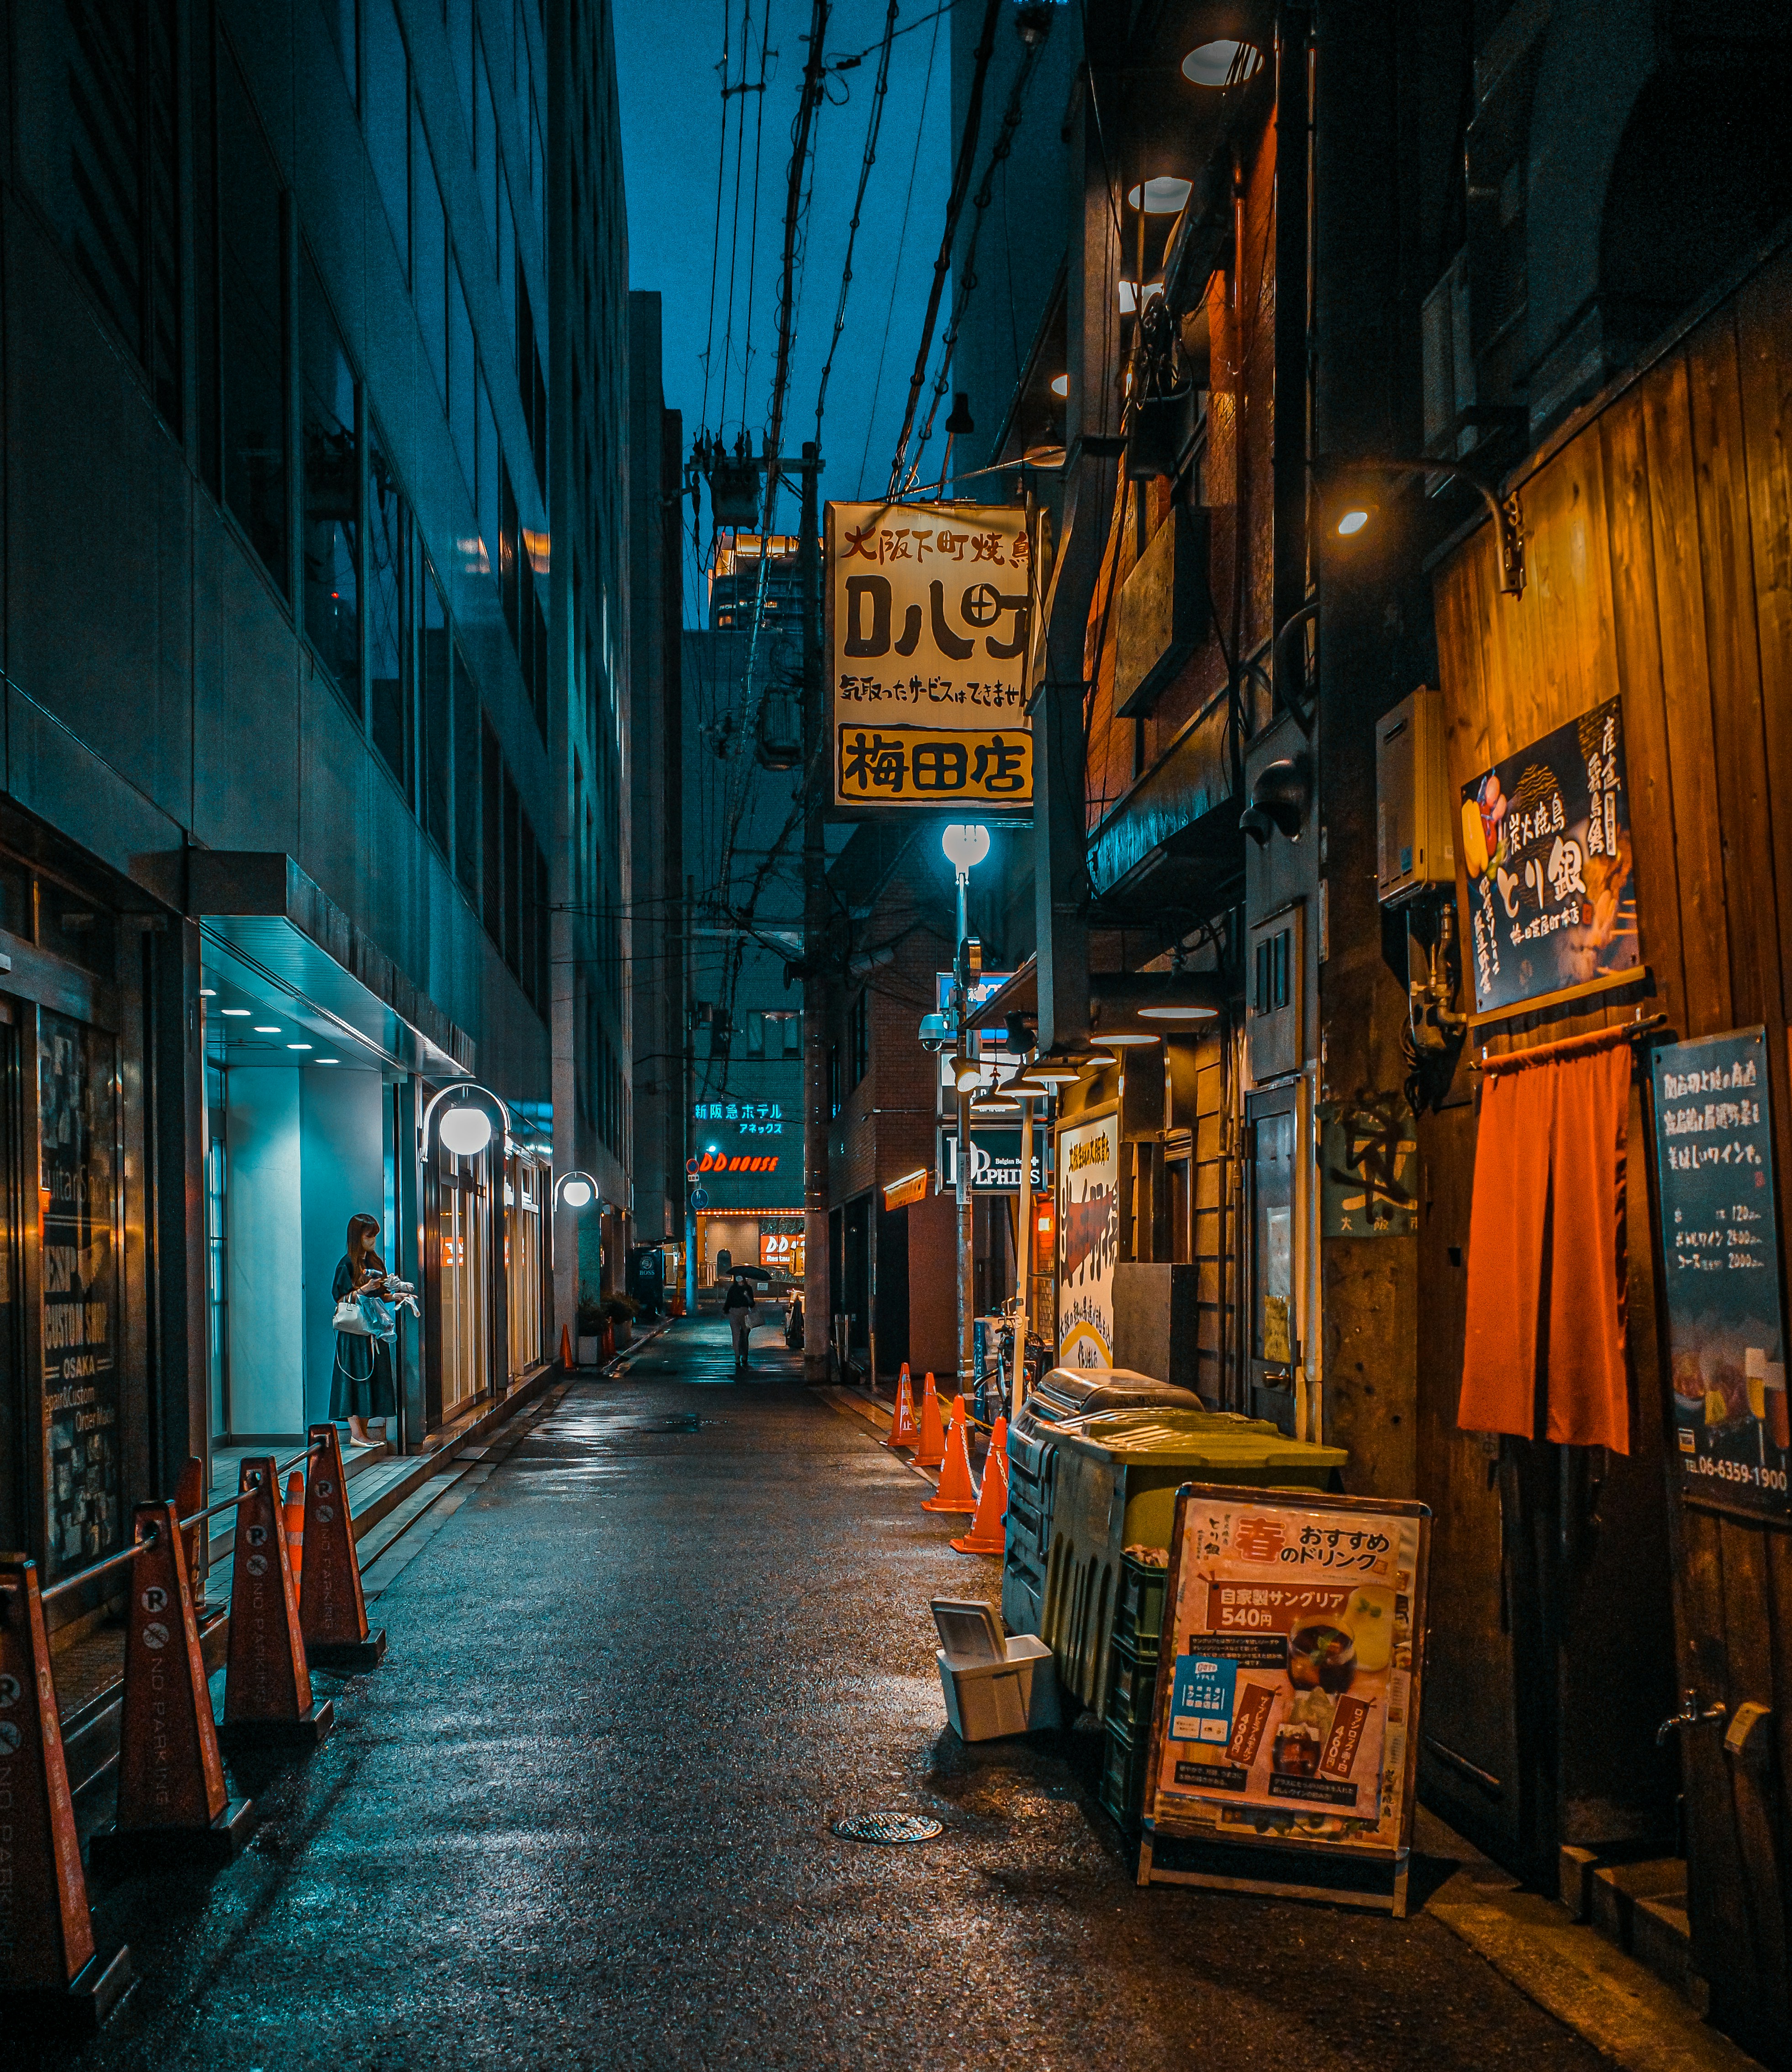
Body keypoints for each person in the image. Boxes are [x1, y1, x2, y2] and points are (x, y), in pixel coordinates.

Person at [332, 1212, 397, 1446]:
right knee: (353, 1378)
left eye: (375, 1237)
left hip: (373, 1330)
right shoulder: (347, 1263)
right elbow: (339, 1298)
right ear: (358, 1236)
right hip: (353, 1333)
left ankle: (363, 1433)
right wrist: (363, 1290)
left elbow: (381, 1295)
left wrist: (396, 1294)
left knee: (374, 1377)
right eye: (370, 1236)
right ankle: (356, 1433)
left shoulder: (375, 1262)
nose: (373, 1241)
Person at [724, 1271, 756, 1371]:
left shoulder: (735, 1289)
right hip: (742, 1313)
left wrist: (725, 1312)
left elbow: (728, 1303)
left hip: (737, 1314)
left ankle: (739, 1357)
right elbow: (752, 1304)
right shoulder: (745, 1289)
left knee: (739, 1336)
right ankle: (742, 1357)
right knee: (742, 1336)